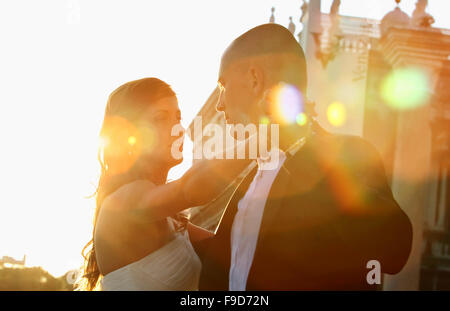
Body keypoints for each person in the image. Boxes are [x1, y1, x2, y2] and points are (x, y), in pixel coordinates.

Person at [194, 23, 413, 290]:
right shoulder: (252, 176)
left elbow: (394, 249)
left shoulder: (349, 154)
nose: (219, 103)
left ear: (254, 78)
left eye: (222, 85)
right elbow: (240, 263)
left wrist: (300, 144)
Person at [75, 77, 251, 290]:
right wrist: (262, 141)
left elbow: (227, 247)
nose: (178, 128)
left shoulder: (172, 219)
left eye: (178, 118)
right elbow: (191, 189)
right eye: (160, 118)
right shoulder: (123, 200)